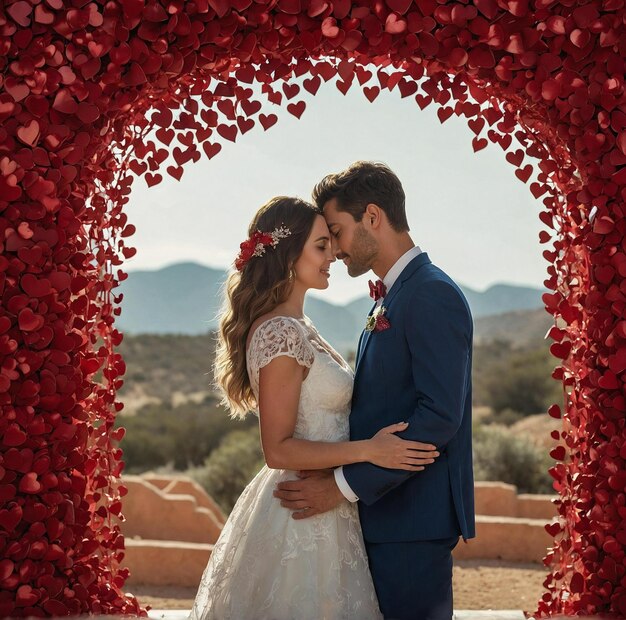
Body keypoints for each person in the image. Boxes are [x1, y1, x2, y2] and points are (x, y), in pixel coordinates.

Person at [189, 195, 440, 620]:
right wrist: (368, 451)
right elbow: (278, 450)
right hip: (300, 510)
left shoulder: (300, 326)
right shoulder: (281, 334)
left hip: (329, 503)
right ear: (289, 255)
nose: (334, 256)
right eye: (321, 246)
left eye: (331, 244)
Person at [274, 162, 475, 620]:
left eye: (338, 232)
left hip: (411, 520)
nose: (337, 249)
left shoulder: (430, 293)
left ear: (372, 217)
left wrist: (343, 486)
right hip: (384, 515)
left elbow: (440, 415)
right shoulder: (393, 296)